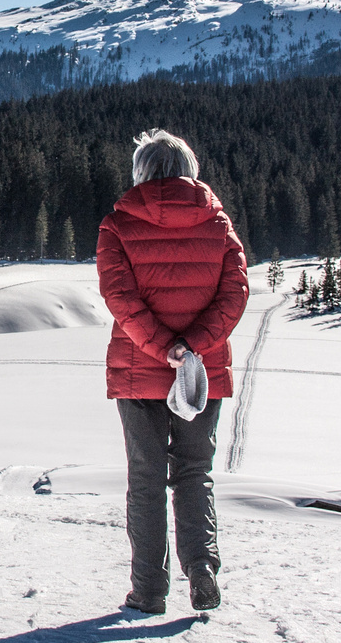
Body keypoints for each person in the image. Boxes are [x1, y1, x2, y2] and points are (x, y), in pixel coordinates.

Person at [97, 129, 248, 613]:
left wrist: (163, 348)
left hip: (140, 369)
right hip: (203, 373)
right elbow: (235, 295)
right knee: (193, 472)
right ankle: (201, 568)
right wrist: (192, 347)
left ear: (142, 171)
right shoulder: (219, 225)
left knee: (145, 478)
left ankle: (149, 590)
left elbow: (120, 298)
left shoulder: (118, 224)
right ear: (189, 169)